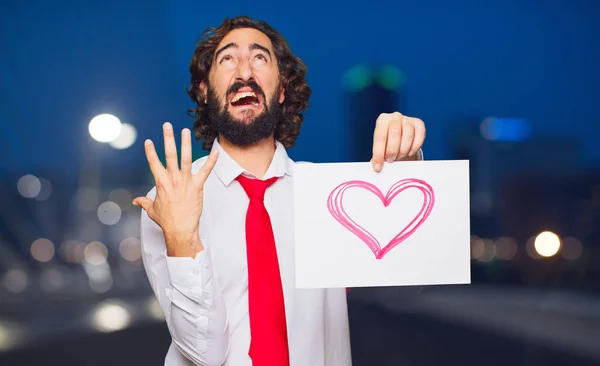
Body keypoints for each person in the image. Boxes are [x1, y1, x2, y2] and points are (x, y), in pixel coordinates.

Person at [133, 15, 426, 366]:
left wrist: (406, 165)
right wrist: (182, 241)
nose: (244, 71)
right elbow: (203, 354)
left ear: (282, 88)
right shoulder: (169, 199)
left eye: (260, 57)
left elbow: (403, 280)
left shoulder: (330, 196)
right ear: (204, 89)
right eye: (227, 58)